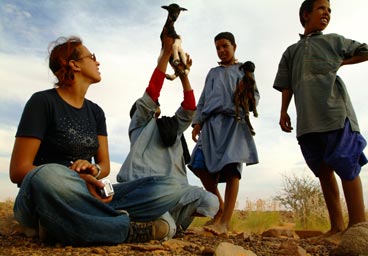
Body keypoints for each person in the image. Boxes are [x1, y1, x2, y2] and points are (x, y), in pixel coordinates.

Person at [9, 36, 192, 246]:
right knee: (48, 175)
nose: (97, 62)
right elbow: (19, 171)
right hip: (48, 192)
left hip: (89, 192)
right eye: (92, 57)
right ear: (74, 64)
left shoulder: (96, 112)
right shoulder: (42, 102)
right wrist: (71, 173)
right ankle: (123, 229)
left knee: (171, 187)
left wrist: (93, 173)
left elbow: (103, 166)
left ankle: (63, 224)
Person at [273, 0, 368, 236]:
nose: (327, 13)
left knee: (346, 163)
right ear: (305, 15)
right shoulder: (291, 51)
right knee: (322, 170)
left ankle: (359, 228)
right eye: (321, 8)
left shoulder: (334, 40)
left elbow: (367, 51)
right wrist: (283, 112)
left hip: (335, 114)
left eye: (329, 10)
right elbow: (286, 85)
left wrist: (340, 62)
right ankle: (337, 227)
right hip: (308, 121)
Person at [116, 35, 219, 233]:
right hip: (147, 190)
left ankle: (163, 222)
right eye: (147, 107)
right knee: (167, 226)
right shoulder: (138, 126)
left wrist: (183, 75)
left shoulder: (172, 128)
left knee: (211, 202)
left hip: (175, 192)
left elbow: (190, 108)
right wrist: (164, 56)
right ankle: (154, 223)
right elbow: (152, 93)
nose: (154, 105)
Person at [188, 32, 260, 235]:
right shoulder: (212, 72)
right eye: (217, 48)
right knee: (198, 164)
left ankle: (225, 222)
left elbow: (254, 97)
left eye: (225, 46)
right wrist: (197, 122)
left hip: (234, 124)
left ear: (234, 47)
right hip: (211, 125)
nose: (221, 51)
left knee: (232, 171)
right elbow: (203, 99)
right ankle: (219, 207)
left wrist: (245, 93)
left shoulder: (243, 70)